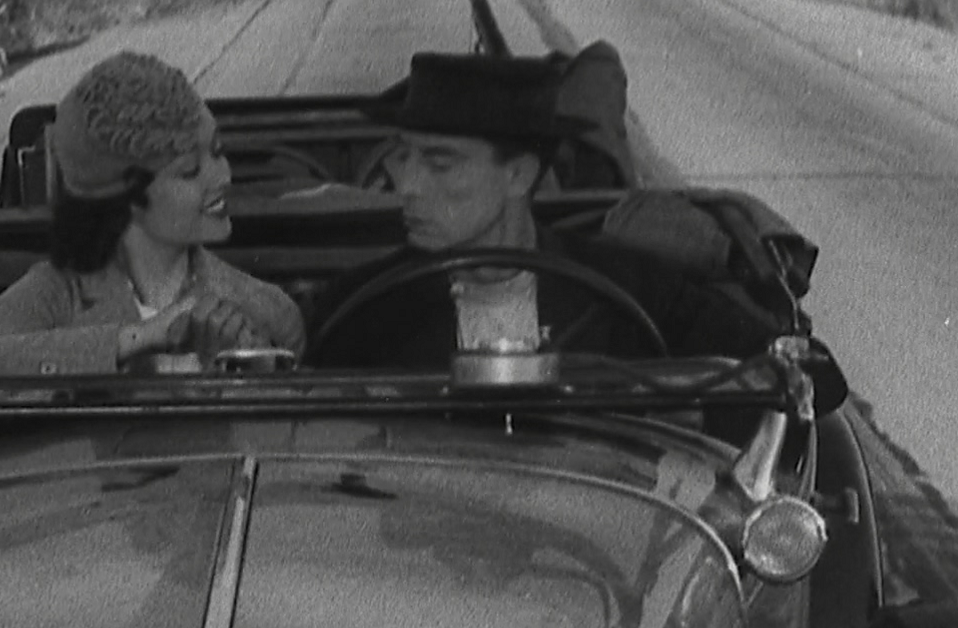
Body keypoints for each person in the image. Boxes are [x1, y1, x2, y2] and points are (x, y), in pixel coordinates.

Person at [309, 51, 840, 406]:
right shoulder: (361, 307)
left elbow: (815, 381)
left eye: (439, 163)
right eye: (403, 158)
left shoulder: (631, 291)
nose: (406, 185)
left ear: (519, 175)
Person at [0, 52, 304, 375]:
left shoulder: (265, 310)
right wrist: (138, 338)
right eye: (190, 171)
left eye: (218, 152)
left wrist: (248, 371)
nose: (224, 176)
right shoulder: (58, 292)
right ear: (125, 195)